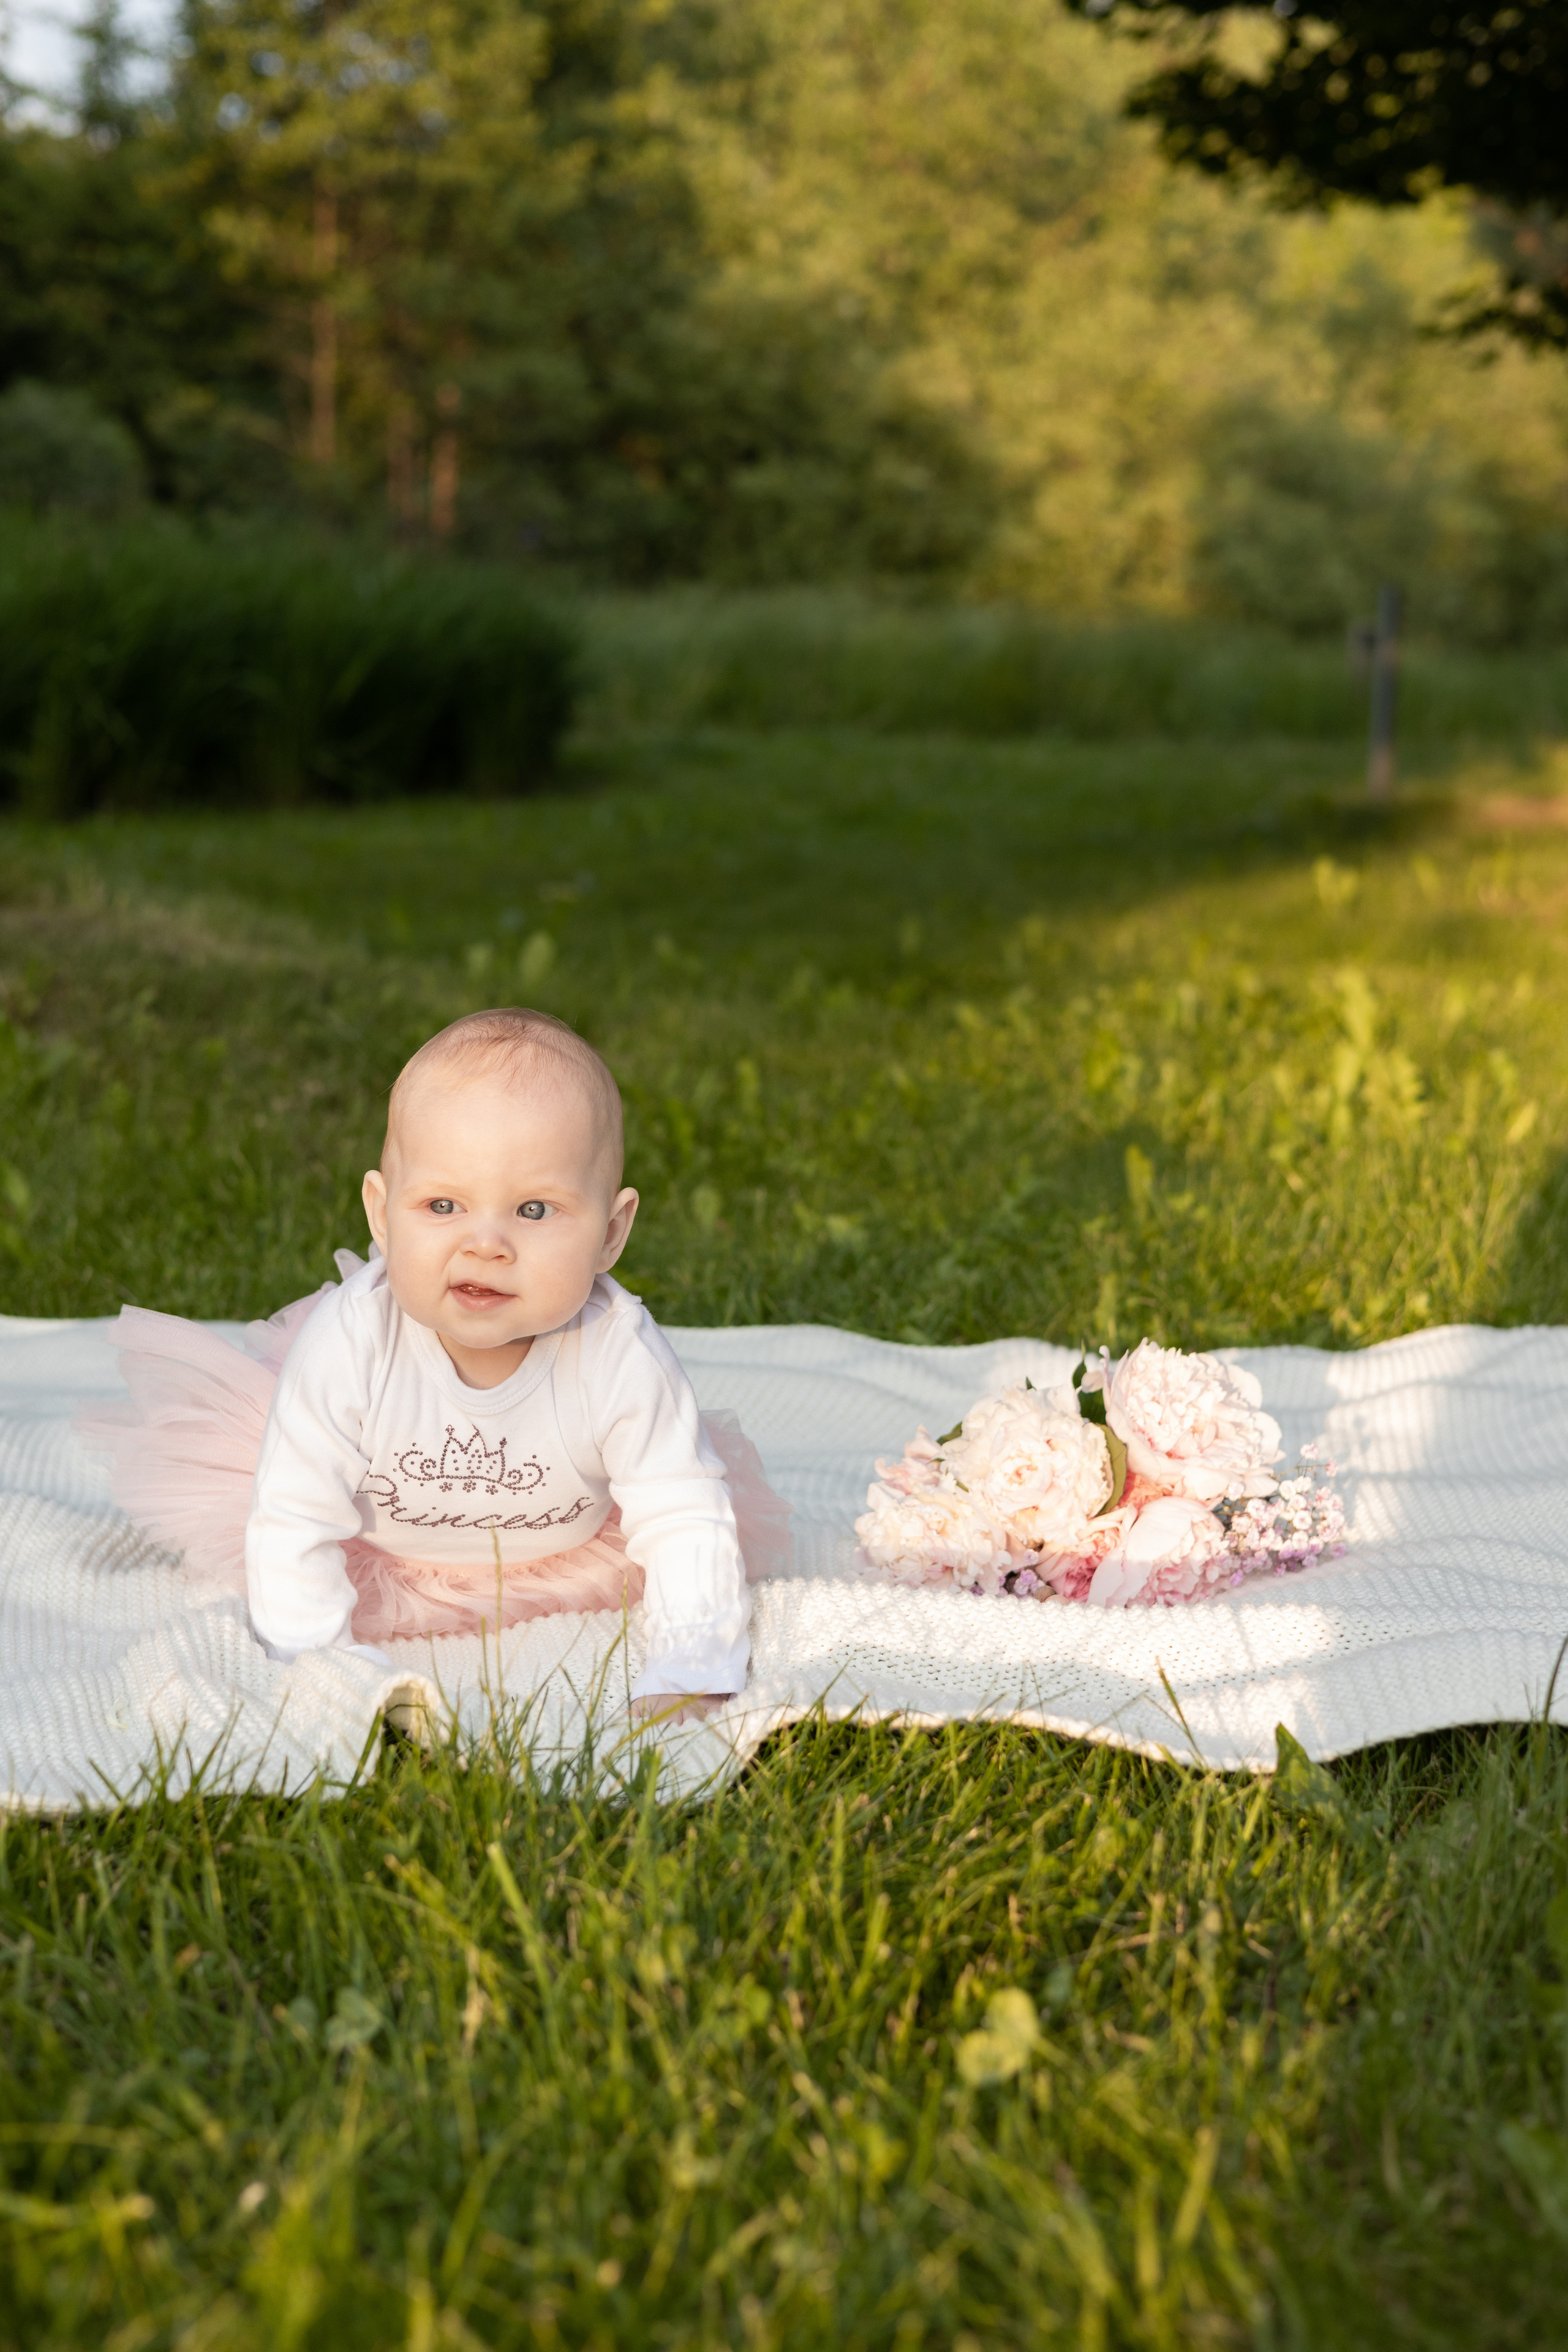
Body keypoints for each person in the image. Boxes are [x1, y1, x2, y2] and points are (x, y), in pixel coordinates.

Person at [77, 1008, 790, 1719]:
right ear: (382, 1216)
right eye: (443, 1204)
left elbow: (681, 1512)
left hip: (564, 1550)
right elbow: (296, 1513)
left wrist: (691, 1665)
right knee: (283, 1496)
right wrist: (319, 1663)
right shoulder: (354, 1343)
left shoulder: (618, 1352)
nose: (486, 1244)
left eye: (534, 1210)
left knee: (697, 1502)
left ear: (610, 1233)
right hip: (377, 1548)